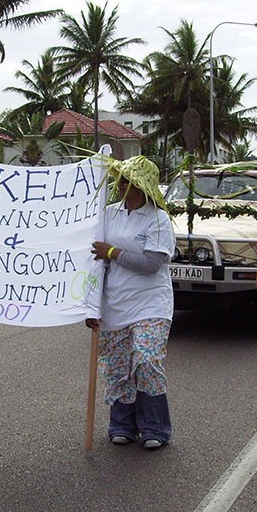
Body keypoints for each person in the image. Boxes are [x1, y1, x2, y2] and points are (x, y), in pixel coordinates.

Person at [86, 156, 176, 450]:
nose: (121, 185)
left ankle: (155, 427)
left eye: (128, 181)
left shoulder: (158, 219)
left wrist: (111, 251)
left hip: (151, 304)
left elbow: (151, 263)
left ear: (142, 186)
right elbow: (93, 263)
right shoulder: (108, 214)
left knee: (146, 361)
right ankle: (122, 424)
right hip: (115, 305)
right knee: (118, 367)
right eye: (120, 180)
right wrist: (91, 307)